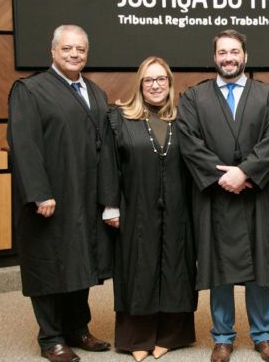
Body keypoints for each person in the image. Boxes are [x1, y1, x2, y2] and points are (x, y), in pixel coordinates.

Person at [176, 29, 269, 362]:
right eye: (222, 52)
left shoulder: (267, 96)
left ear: (245, 56)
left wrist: (245, 172)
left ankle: (263, 335)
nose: (228, 58)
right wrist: (223, 177)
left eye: (234, 51)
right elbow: (189, 142)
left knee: (258, 267)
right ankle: (222, 337)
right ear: (214, 57)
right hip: (215, 197)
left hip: (254, 195)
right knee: (217, 266)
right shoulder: (194, 98)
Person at [7, 24, 113, 362]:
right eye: (67, 48)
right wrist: (39, 192)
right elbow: (24, 145)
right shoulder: (30, 90)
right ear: (53, 51)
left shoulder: (95, 92)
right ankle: (50, 337)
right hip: (51, 197)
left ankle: (77, 328)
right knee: (50, 264)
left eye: (80, 49)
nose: (74, 54)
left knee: (81, 261)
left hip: (85, 196)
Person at [98, 57, 197, 362]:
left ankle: (170, 336)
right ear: (140, 84)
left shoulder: (183, 119)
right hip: (136, 208)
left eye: (161, 79)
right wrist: (110, 206)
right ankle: (137, 338)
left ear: (170, 83)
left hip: (178, 210)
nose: (155, 85)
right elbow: (109, 164)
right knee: (138, 271)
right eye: (149, 80)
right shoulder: (119, 118)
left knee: (175, 270)